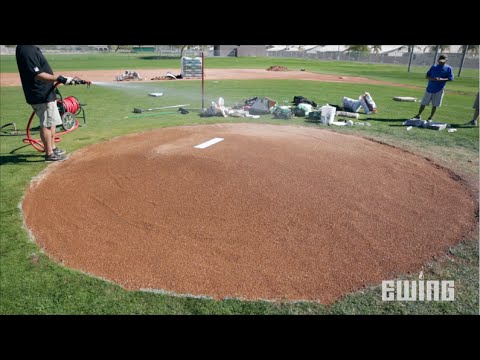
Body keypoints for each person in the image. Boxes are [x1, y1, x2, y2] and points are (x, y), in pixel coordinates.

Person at [16, 45, 81, 161]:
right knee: (46, 123)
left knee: (52, 122)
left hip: (47, 92)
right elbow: (38, 75)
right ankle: (49, 154)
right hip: (41, 94)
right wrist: (60, 78)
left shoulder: (30, 47)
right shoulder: (26, 50)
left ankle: (53, 148)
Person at [412, 54, 454, 121]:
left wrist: (441, 79)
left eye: (443, 61)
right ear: (438, 60)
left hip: (439, 89)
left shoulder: (449, 68)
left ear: (446, 60)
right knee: (423, 103)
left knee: (435, 105)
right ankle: (418, 115)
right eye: (440, 61)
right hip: (429, 88)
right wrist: (431, 79)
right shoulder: (434, 67)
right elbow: (427, 76)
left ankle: (430, 117)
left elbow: (451, 78)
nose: (441, 62)